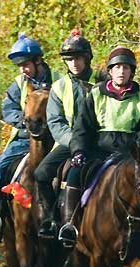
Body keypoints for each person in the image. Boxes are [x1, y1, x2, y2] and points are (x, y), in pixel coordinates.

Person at [58, 46, 140, 247]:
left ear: (132, 72)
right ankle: (70, 225)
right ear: (110, 71)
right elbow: (82, 129)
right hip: (99, 152)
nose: (122, 71)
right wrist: (78, 151)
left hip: (130, 154)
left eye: (126, 68)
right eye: (117, 67)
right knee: (74, 173)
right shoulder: (96, 94)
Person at [0, 33, 61, 241]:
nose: (22, 69)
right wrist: (26, 121)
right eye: (19, 65)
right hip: (23, 139)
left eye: (25, 64)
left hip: (53, 139)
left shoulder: (58, 81)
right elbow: (8, 110)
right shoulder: (18, 84)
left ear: (38, 61)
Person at [35, 30, 98, 240]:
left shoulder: (103, 82)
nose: (74, 63)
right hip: (69, 142)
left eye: (77, 58)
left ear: (87, 58)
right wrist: (74, 142)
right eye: (69, 59)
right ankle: (50, 219)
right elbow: (55, 122)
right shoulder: (59, 87)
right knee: (41, 174)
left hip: (99, 142)